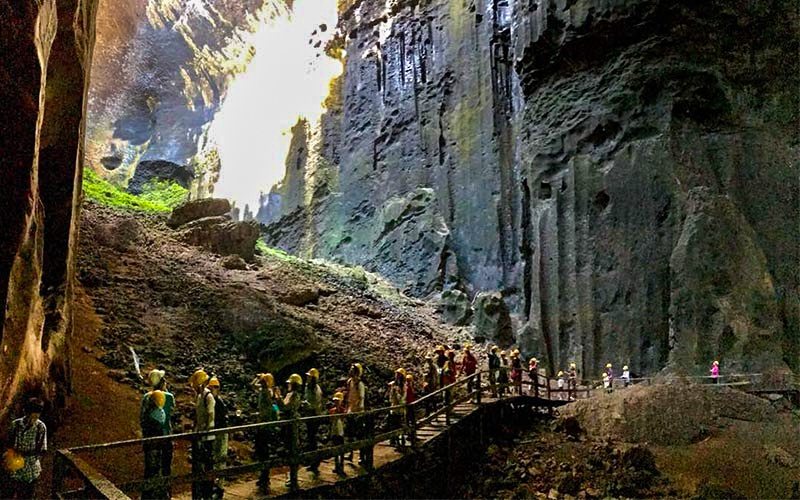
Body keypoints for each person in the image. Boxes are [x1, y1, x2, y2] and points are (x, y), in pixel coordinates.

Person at [3, 398, 47, 499]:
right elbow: (8, 443)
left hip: (31, 471)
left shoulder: (40, 427)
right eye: (31, 416)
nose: (33, 420)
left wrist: (24, 454)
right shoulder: (15, 425)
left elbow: (42, 449)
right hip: (15, 469)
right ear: (25, 412)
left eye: (36, 416)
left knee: (27, 496)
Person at [190, 369, 215, 500]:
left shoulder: (207, 397)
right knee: (199, 466)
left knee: (207, 466)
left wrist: (204, 430)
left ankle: (207, 494)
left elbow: (210, 415)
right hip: (200, 435)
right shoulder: (200, 396)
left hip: (207, 437)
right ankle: (199, 494)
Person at [252, 373, 279, 493]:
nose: (261, 382)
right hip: (261, 423)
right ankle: (262, 476)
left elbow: (268, 395)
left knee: (264, 451)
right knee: (260, 450)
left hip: (265, 424)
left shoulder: (268, 392)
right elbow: (252, 385)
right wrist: (257, 378)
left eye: (263, 381)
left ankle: (265, 477)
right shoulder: (263, 391)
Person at [148, 369, 175, 482]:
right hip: (165, 435)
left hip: (150, 437)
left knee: (151, 467)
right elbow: (172, 413)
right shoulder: (169, 397)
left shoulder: (146, 397)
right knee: (165, 466)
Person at [140, 389, 167, 499]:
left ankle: (148, 495)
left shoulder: (148, 413)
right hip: (155, 446)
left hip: (150, 445)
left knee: (150, 470)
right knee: (154, 469)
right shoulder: (158, 415)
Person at [345, 363, 369, 466]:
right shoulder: (350, 382)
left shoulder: (360, 384)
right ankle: (350, 453)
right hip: (351, 411)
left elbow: (361, 398)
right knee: (350, 434)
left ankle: (361, 456)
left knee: (360, 435)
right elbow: (348, 395)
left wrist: (357, 411)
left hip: (358, 412)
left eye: (352, 370)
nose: (350, 371)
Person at [303, 368, 324, 475]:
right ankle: (313, 462)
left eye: (309, 377)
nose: (307, 378)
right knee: (310, 439)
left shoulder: (315, 389)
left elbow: (316, 404)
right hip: (309, 416)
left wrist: (306, 405)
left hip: (314, 416)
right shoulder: (308, 388)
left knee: (312, 439)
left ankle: (315, 462)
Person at [329, 392, 347, 477]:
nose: (336, 402)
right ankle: (336, 465)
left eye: (338, 401)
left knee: (341, 448)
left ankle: (342, 465)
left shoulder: (343, 410)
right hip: (334, 430)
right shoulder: (332, 410)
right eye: (335, 401)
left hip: (340, 431)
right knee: (335, 448)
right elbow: (331, 419)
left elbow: (343, 419)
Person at [387, 368, 406, 448]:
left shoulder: (403, 386)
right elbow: (390, 398)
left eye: (399, 375)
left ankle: (400, 441)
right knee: (393, 425)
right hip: (394, 408)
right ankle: (395, 441)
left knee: (399, 425)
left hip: (399, 409)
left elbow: (402, 398)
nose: (397, 376)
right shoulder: (394, 386)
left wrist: (396, 392)